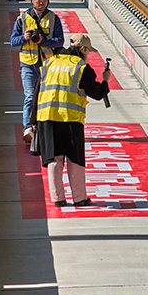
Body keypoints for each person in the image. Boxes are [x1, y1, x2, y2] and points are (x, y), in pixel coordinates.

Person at [36, 33, 111, 207]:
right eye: (88, 51)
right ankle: (79, 198)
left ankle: (58, 199)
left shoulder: (49, 63)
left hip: (47, 117)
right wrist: (105, 81)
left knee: (54, 158)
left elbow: (37, 90)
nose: (88, 55)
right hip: (70, 118)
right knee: (74, 158)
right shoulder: (81, 67)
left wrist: (33, 120)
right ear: (82, 49)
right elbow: (97, 93)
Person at [9, 0, 65, 144]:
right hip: (28, 65)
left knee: (49, 97)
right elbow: (13, 41)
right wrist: (24, 37)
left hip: (48, 66)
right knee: (30, 96)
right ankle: (28, 128)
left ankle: (46, 127)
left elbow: (60, 41)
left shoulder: (53, 19)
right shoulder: (22, 18)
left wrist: (43, 41)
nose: (41, 2)